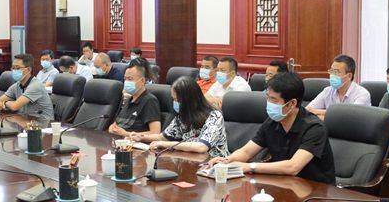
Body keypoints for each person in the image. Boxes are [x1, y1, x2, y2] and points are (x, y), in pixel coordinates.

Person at [206, 72, 335, 183]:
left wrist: (249, 167)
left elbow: (293, 167)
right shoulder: (273, 122)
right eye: (268, 98)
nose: (269, 104)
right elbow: (246, 152)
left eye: (274, 100)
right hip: (283, 184)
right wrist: (226, 161)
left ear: (292, 103)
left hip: (315, 191)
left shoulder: (314, 127)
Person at [129, 77, 228, 158]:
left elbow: (201, 147)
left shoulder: (214, 116)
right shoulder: (182, 116)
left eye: (178, 100)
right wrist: (141, 137)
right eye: (174, 99)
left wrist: (167, 144)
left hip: (213, 165)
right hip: (189, 160)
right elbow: (163, 137)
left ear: (190, 100)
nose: (175, 103)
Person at [0, 53, 54, 121]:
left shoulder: (35, 86)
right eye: (13, 68)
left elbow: (14, 106)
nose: (15, 71)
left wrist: (4, 103)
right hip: (25, 119)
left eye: (18, 68)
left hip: (42, 122)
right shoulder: (16, 85)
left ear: (28, 70)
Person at [306, 54, 371, 119]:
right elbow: (308, 110)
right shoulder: (328, 91)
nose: (332, 75)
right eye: (332, 71)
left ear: (349, 76)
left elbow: (350, 116)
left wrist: (318, 112)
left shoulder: (362, 94)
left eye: (336, 72)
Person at [108, 63, 162, 136]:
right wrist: (111, 128)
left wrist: (127, 134)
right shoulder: (128, 100)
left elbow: (155, 133)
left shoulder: (150, 100)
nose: (126, 82)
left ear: (142, 80)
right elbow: (116, 124)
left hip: (134, 142)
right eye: (125, 79)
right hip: (117, 140)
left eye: (130, 79)